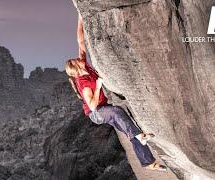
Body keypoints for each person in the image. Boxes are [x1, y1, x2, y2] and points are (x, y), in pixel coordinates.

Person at [65, 14, 167, 172]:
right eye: (76, 61)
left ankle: (148, 162)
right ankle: (141, 136)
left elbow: (80, 41)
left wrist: (79, 18)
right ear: (76, 70)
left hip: (103, 108)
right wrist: (98, 86)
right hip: (97, 113)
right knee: (118, 112)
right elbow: (92, 107)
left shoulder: (83, 64)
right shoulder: (83, 84)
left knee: (129, 130)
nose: (79, 59)